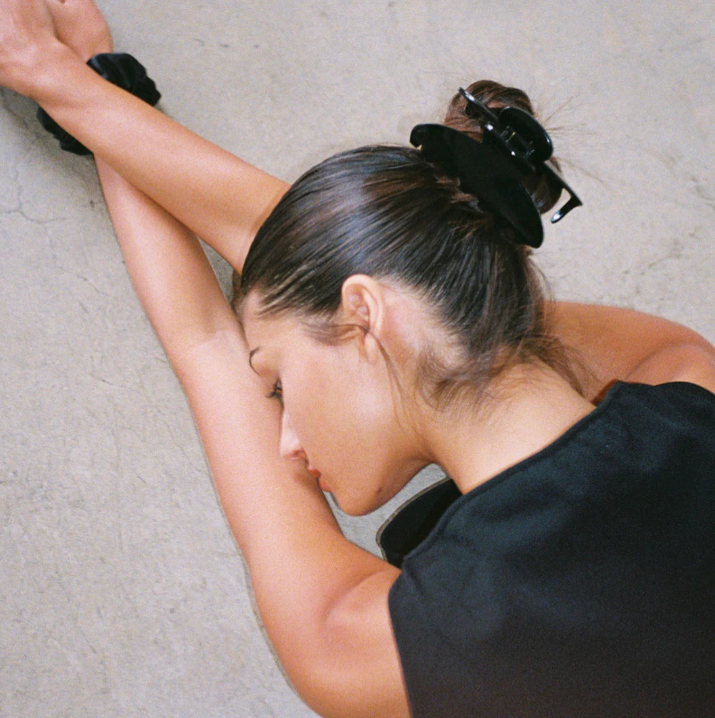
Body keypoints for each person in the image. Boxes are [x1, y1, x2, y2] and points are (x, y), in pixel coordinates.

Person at [2, 1, 714, 716]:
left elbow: (209, 346)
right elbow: (386, 281)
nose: (283, 439)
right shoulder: (688, 383)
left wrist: (63, 80)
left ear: (367, 316)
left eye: (277, 386)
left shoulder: (408, 640)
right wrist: (80, 86)